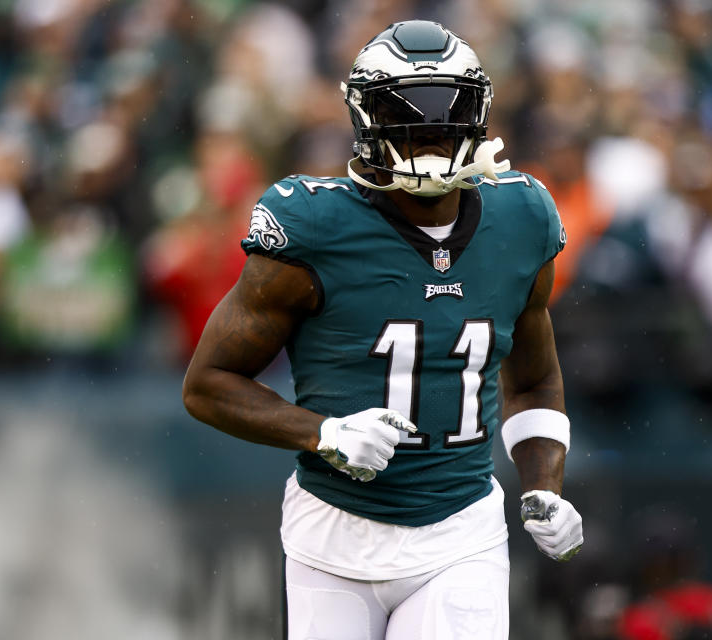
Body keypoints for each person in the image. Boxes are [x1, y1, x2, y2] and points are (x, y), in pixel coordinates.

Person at [182, 20, 583, 639]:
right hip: (332, 532)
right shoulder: (313, 224)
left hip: (460, 531)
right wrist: (325, 433)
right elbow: (207, 384)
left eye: (449, 110)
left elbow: (533, 379)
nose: (433, 131)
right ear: (367, 118)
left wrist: (544, 486)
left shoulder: (522, 217)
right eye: (409, 113)